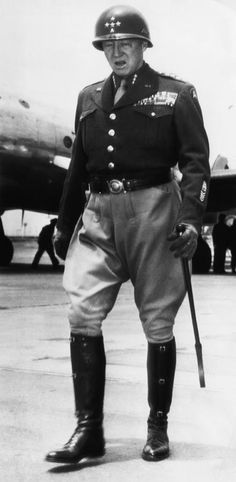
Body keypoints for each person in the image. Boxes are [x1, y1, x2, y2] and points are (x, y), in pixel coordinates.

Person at [45, 5, 210, 464]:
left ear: (143, 47)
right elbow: (78, 168)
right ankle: (88, 430)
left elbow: (196, 163)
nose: (116, 53)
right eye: (108, 46)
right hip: (99, 216)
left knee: (158, 322)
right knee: (82, 310)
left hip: (154, 212)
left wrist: (192, 218)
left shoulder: (176, 95)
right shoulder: (88, 97)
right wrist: (63, 224)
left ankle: (157, 427)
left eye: (126, 45)